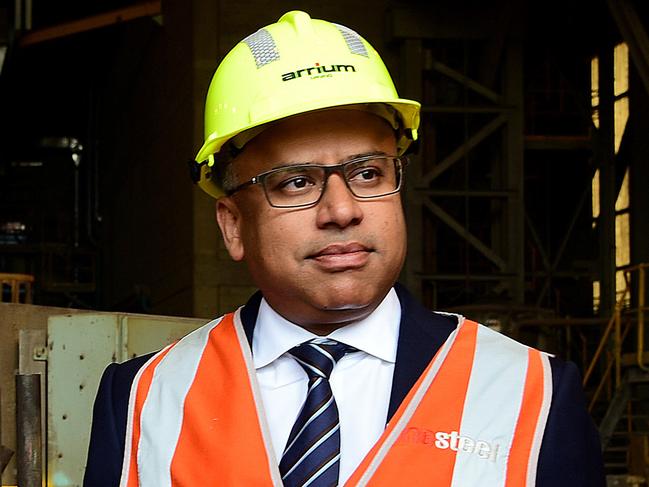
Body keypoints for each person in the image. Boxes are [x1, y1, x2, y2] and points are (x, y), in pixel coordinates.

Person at [84, 10, 604, 487]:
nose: (341, 209)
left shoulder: (531, 394)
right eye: (295, 183)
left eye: (367, 173)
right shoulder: (141, 400)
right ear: (234, 224)